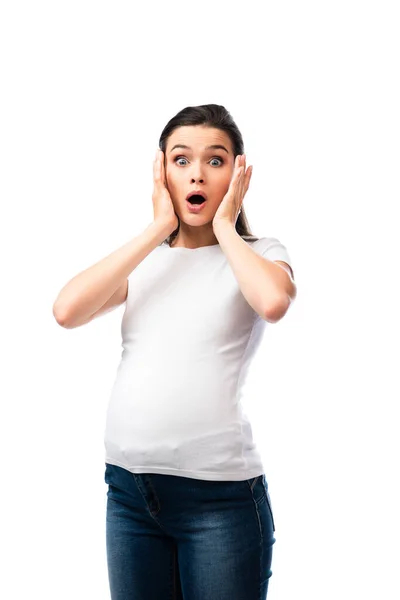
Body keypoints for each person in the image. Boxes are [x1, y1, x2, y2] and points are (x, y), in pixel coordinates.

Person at [53, 104, 297, 600]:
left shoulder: (261, 253)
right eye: (181, 159)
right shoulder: (146, 261)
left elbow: (273, 303)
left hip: (220, 502)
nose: (197, 173)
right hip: (129, 496)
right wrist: (153, 229)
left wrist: (227, 228)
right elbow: (66, 310)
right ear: (161, 171)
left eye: (215, 159)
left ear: (237, 172)